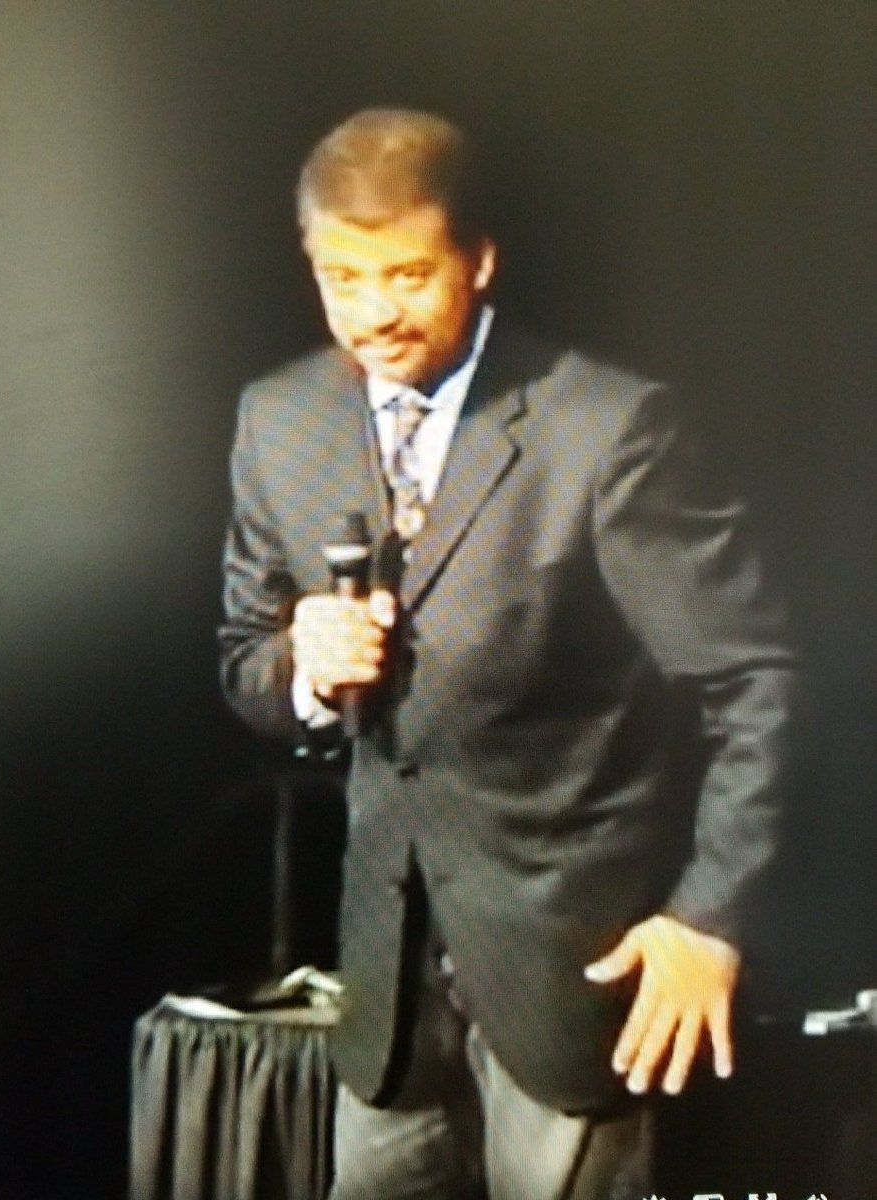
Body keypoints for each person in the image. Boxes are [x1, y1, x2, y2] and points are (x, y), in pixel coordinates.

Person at [219, 108, 800, 1199]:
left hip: (579, 984)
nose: (373, 315)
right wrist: (305, 672)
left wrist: (711, 920)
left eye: (407, 276)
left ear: (478, 260)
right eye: (342, 280)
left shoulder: (607, 429)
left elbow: (755, 683)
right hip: (386, 1007)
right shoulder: (277, 420)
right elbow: (245, 659)